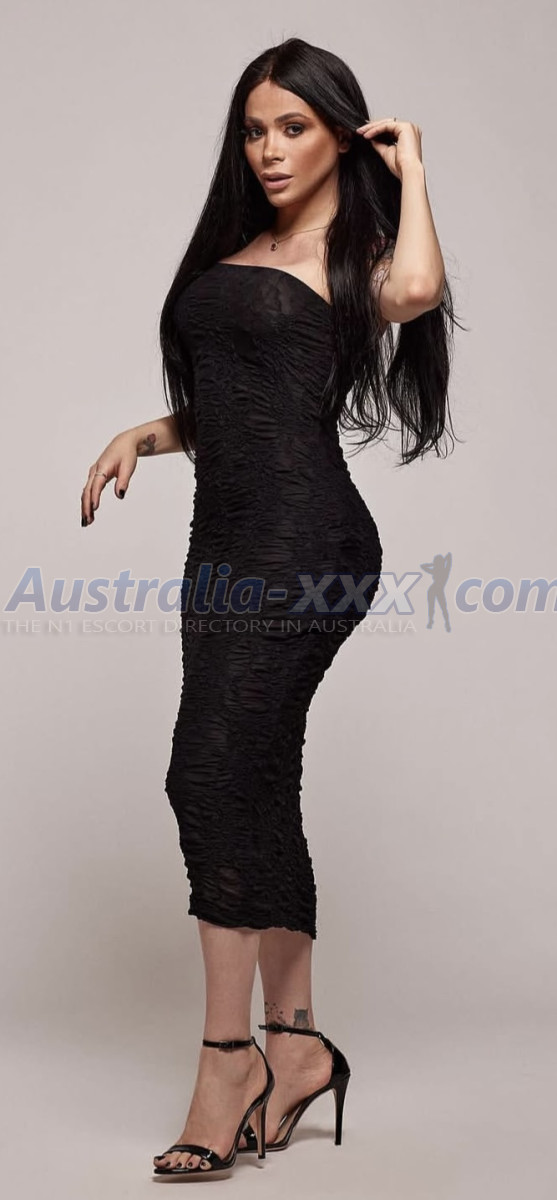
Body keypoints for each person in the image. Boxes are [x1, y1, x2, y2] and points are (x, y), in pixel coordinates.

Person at [80, 36, 459, 1182]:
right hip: (225, 548)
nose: (268, 149)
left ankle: (224, 1063)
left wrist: (411, 165)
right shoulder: (237, 251)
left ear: (340, 136)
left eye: (292, 127)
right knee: (252, 778)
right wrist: (148, 432)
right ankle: (295, 1049)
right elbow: (245, 407)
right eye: (253, 130)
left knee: (205, 773)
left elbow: (417, 292)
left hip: (308, 545)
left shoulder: (359, 260)